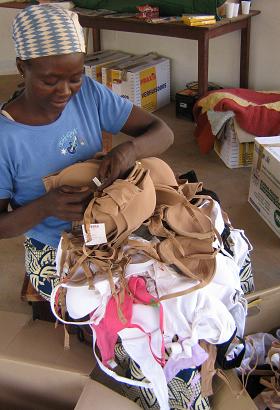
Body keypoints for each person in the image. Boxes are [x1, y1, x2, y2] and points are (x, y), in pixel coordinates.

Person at [0, 4, 174, 300]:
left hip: (111, 223)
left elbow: (163, 132)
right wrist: (46, 207)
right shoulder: (6, 137)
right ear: (22, 68)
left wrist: (128, 151)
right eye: (49, 81)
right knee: (116, 306)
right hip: (53, 247)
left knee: (185, 265)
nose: (65, 91)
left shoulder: (89, 94)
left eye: (75, 77)